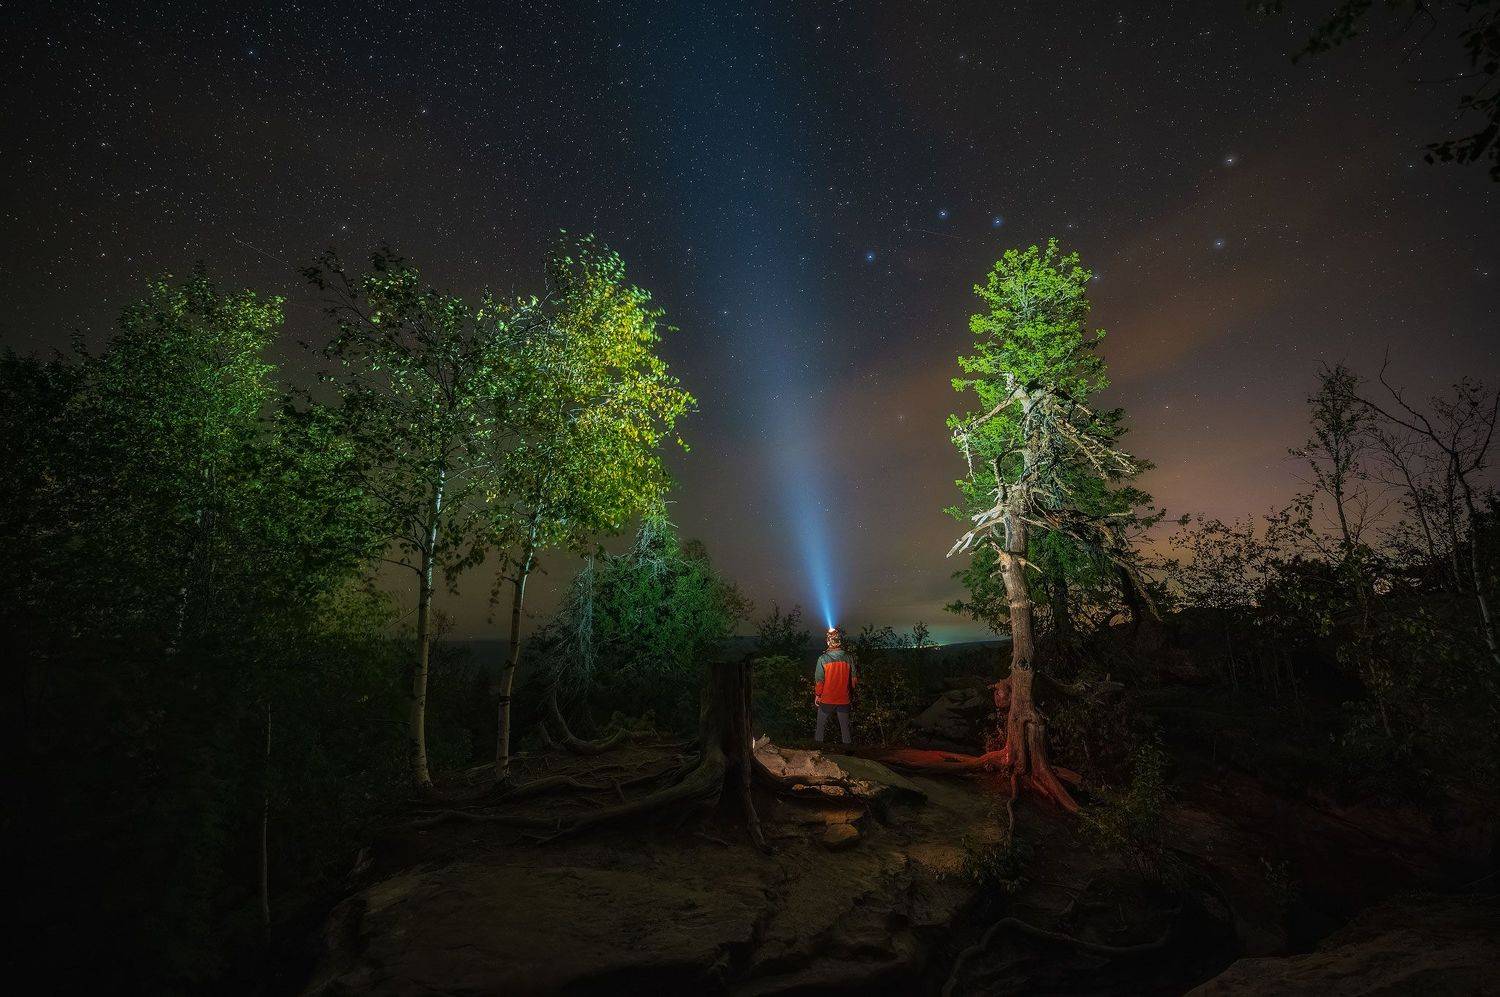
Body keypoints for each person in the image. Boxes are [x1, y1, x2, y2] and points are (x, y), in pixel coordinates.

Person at [814, 628, 858, 747]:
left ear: (828, 641)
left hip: (827, 699)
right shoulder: (849, 657)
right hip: (844, 699)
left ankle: (818, 752)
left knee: (820, 726)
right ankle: (848, 755)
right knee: (845, 728)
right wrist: (849, 692)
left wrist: (818, 695)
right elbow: (854, 680)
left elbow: (819, 681)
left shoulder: (823, 659)